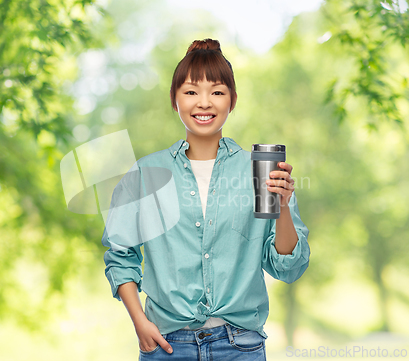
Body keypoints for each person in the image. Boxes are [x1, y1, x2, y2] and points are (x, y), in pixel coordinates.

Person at [103, 38, 310, 361]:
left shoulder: (258, 170)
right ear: (174, 100)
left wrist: (282, 206)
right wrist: (139, 322)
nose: (204, 103)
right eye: (190, 92)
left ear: (232, 100)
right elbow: (120, 255)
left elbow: (287, 267)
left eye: (216, 92)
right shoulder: (147, 172)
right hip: (166, 345)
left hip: (241, 346)